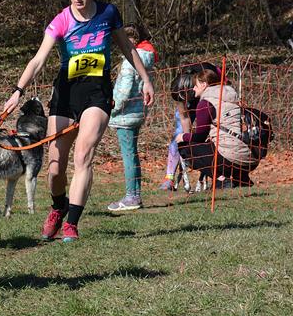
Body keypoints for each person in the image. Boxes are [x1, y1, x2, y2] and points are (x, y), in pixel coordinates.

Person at [3, 0, 154, 242]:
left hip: (96, 93)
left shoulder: (109, 13)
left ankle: (71, 222)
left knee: (83, 154)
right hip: (65, 93)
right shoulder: (61, 20)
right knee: (55, 166)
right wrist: (18, 90)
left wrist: (146, 79)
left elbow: (127, 48)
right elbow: (38, 60)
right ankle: (58, 207)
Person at [175, 68, 260, 188]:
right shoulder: (231, 98)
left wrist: (183, 136)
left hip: (229, 158)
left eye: (196, 85)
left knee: (185, 146)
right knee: (216, 146)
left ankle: (222, 180)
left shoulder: (205, 103)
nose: (193, 89)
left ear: (204, 85)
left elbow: (200, 136)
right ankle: (241, 179)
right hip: (250, 158)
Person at [107, 23, 157, 211]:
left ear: (132, 40)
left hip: (125, 115)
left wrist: (112, 108)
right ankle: (135, 195)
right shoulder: (148, 57)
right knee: (133, 154)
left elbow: (124, 90)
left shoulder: (131, 61)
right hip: (138, 112)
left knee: (128, 155)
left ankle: (131, 197)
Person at [160, 61, 220, 191]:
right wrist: (187, 140)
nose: (184, 101)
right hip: (194, 100)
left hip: (211, 102)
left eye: (186, 97)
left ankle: (217, 175)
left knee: (211, 136)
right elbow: (184, 116)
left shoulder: (210, 78)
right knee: (178, 134)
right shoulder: (182, 86)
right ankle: (169, 178)